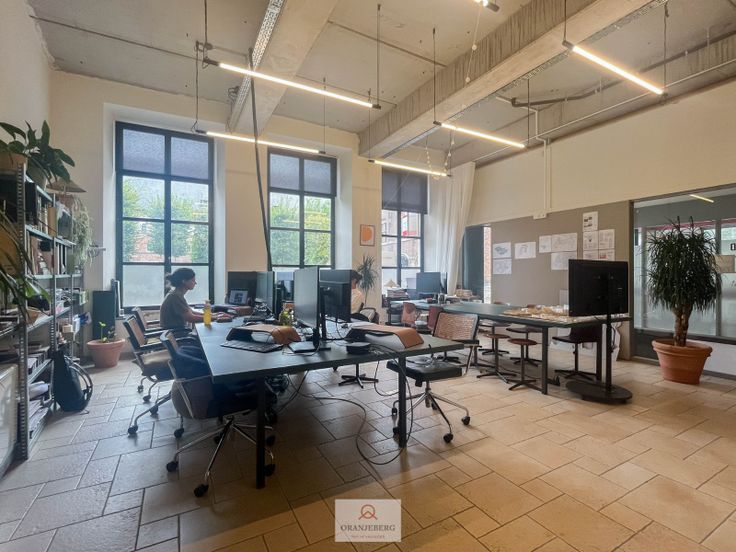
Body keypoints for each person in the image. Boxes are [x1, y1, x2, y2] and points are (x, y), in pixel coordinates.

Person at [160, 268, 231, 329]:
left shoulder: (175, 294)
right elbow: (191, 318)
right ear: (184, 281)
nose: (195, 283)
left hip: (177, 331)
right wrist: (216, 318)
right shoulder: (175, 297)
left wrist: (214, 315)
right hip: (176, 333)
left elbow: (191, 312)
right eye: (193, 280)